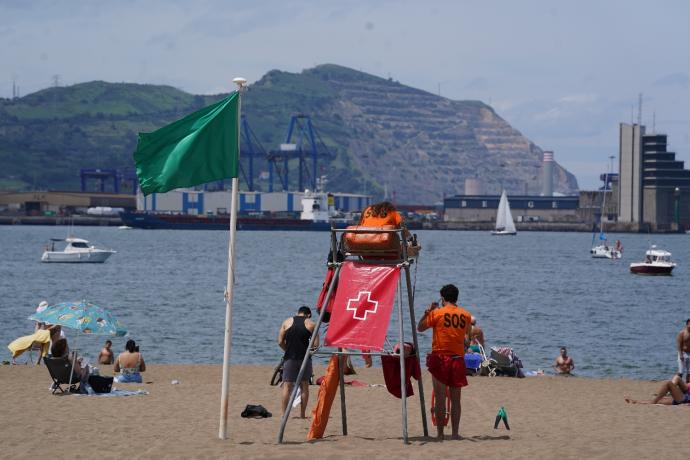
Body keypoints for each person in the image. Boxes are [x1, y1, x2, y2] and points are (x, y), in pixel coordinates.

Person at [417, 284, 472, 440]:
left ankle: (440, 434)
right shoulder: (466, 315)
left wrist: (426, 313)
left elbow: (420, 328)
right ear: (456, 297)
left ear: (443, 298)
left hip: (440, 358)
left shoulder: (437, 313)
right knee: (456, 400)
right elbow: (467, 336)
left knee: (440, 398)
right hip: (457, 359)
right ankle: (454, 433)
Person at [278, 305, 319, 418]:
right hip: (304, 358)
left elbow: (280, 341)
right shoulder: (311, 324)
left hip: (289, 358)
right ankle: (302, 414)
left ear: (298, 312)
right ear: (308, 315)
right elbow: (315, 346)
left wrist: (287, 350)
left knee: (287, 385)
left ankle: (283, 414)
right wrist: (310, 353)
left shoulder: (286, 322)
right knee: (304, 385)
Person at [625, 375, 690, 405]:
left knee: (668, 383)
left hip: (685, 399)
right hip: (683, 397)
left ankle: (654, 401)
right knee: (660, 400)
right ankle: (637, 402)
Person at [677, 319, 690, 383]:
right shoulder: (682, 333)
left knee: (689, 372)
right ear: (687, 324)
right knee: (681, 372)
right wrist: (681, 355)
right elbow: (679, 344)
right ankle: (674, 385)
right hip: (683, 353)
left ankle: (687, 388)